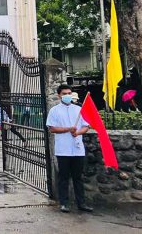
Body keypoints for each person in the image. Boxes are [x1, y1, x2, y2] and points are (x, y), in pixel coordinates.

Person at [46, 84, 93, 213]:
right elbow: (52, 128)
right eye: (64, 93)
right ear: (59, 95)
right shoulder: (54, 111)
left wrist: (77, 133)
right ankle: (64, 203)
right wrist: (68, 129)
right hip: (63, 149)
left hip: (77, 149)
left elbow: (86, 126)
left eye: (69, 93)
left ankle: (81, 203)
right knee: (64, 177)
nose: (67, 96)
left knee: (78, 177)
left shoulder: (79, 109)